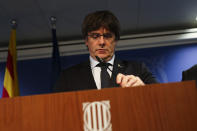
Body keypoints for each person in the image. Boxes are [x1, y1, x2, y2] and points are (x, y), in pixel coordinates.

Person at [53, 10, 158, 92]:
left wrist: (144, 90)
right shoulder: (68, 77)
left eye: (107, 36)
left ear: (115, 40)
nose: (102, 42)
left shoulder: (138, 69)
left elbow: (163, 100)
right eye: (95, 36)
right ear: (86, 40)